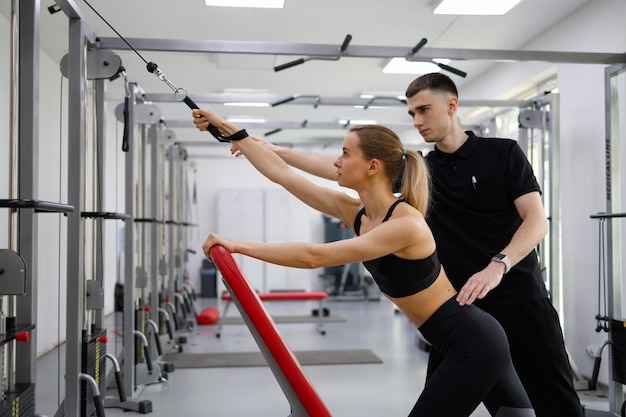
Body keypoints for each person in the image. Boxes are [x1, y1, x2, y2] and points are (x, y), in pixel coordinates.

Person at [242, 73, 584, 417]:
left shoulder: (502, 153)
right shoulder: (422, 169)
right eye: (412, 114)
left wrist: (498, 266)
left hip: (520, 300)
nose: (417, 121)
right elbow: (341, 169)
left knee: (556, 404)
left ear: (452, 105)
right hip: (461, 307)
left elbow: (537, 221)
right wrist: (272, 149)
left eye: (424, 110)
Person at [193, 108, 534, 417]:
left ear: (373, 166)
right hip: (459, 337)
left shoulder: (405, 224)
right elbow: (282, 173)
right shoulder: (356, 212)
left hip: (473, 341)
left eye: (344, 154)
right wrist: (228, 128)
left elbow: (315, 257)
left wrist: (238, 245)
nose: (336, 163)